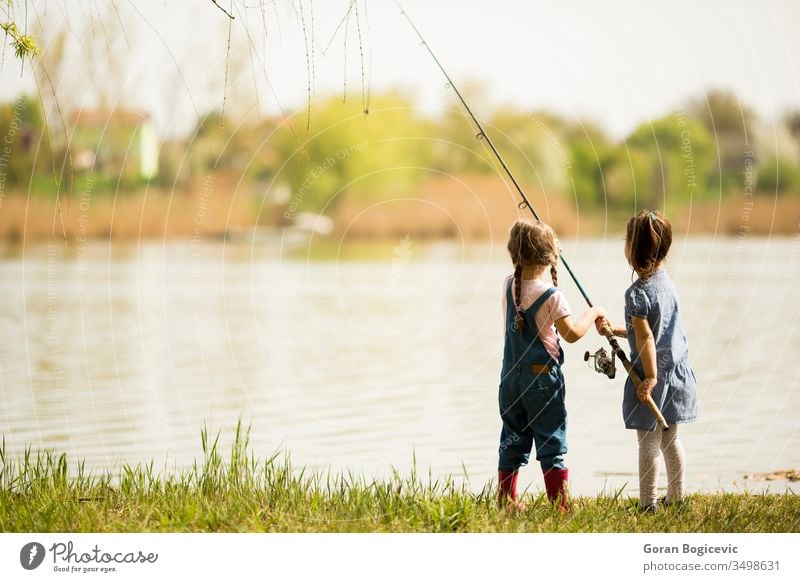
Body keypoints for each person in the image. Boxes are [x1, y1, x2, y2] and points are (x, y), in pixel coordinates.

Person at [498, 218, 605, 511]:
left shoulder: (509, 286)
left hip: (510, 383)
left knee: (512, 439)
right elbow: (571, 335)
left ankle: (506, 501)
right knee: (551, 442)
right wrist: (594, 313)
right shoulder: (552, 296)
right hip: (543, 384)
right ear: (548, 258)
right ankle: (559, 505)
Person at [596, 210, 698, 512]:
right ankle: (676, 497)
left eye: (627, 240)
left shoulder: (637, 294)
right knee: (670, 438)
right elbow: (652, 330)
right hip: (678, 374)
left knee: (648, 443)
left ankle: (648, 504)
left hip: (653, 378)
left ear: (634, 250)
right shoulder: (667, 283)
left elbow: (646, 340)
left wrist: (650, 378)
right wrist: (615, 329)